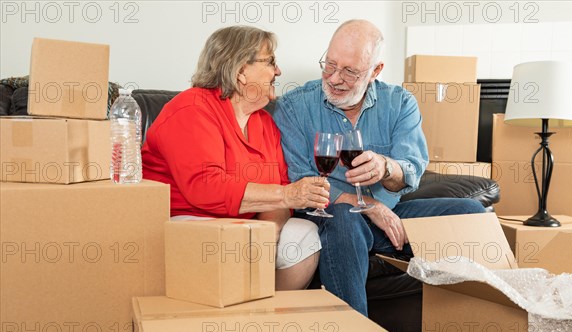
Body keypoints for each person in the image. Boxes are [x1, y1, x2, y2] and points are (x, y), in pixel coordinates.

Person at [273, 19, 485, 316]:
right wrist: (370, 206)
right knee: (346, 216)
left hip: (389, 219)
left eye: (349, 71)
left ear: (375, 71)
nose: (334, 78)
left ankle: (475, 327)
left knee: (473, 215)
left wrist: (387, 168)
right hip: (331, 218)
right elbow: (301, 179)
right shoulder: (295, 107)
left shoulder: (399, 103)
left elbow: (411, 171)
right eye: (329, 64)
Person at [142, 26, 328, 290]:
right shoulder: (191, 109)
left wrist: (269, 233)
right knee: (231, 243)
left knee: (304, 236)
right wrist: (286, 195)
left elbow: (280, 189)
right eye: (271, 61)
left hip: (243, 223)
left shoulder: (264, 122)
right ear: (240, 70)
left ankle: (267, 316)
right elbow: (205, 186)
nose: (278, 71)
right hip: (187, 220)